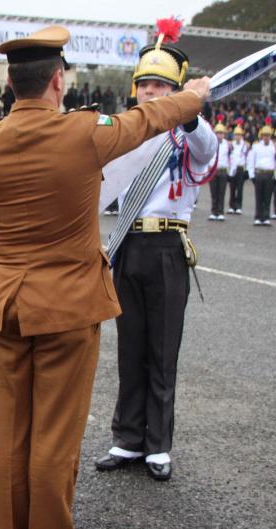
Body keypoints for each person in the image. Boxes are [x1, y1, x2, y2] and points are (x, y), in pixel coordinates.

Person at [0, 25, 210, 529]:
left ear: (11, 85)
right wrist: (193, 97)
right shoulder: (83, 133)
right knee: (54, 438)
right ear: (58, 81)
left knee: (8, 436)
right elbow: (149, 118)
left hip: (5, 304)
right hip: (66, 308)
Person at [94, 32, 217, 483]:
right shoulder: (125, 131)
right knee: (130, 349)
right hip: (128, 245)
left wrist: (187, 111)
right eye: (144, 84)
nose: (150, 92)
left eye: (160, 87)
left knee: (162, 352)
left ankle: (158, 444)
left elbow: (207, 152)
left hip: (167, 246)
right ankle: (127, 438)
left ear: (175, 92)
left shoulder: (187, 134)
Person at [247, 119, 276, 226]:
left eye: (268, 135)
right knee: (259, 196)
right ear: (261, 136)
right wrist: (251, 175)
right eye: (264, 135)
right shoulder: (256, 147)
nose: (266, 137)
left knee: (268, 196)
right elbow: (251, 160)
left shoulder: (274, 147)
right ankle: (258, 216)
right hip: (259, 173)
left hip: (269, 173)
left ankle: (266, 217)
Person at [209, 115, 229, 221]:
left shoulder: (228, 145)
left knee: (221, 192)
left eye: (221, 133)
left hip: (223, 170)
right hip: (213, 170)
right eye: (218, 133)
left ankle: (220, 211)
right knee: (213, 192)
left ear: (224, 134)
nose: (219, 135)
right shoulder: (211, 143)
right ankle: (214, 211)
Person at [227, 118, 248, 215]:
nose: (238, 137)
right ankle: (231, 205)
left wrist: (246, 170)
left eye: (239, 135)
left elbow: (248, 158)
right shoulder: (230, 145)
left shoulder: (246, 145)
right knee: (232, 188)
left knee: (240, 188)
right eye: (236, 135)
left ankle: (238, 206)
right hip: (232, 168)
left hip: (240, 168)